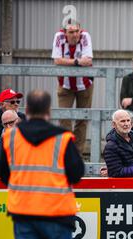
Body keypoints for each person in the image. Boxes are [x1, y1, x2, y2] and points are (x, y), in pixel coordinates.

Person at [0, 90, 84, 239]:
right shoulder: (63, 138)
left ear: (26, 110)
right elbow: (77, 173)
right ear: (48, 111)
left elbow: (2, 173)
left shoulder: (10, 138)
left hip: (24, 214)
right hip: (57, 215)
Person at [52, 19, 93, 156]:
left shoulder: (85, 36)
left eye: (77, 31)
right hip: (65, 84)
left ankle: (77, 154)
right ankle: (66, 153)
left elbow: (88, 61)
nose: (75, 35)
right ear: (64, 32)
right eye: (71, 32)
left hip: (85, 84)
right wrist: (77, 61)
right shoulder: (59, 37)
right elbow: (57, 60)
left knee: (83, 119)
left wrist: (67, 62)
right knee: (64, 118)